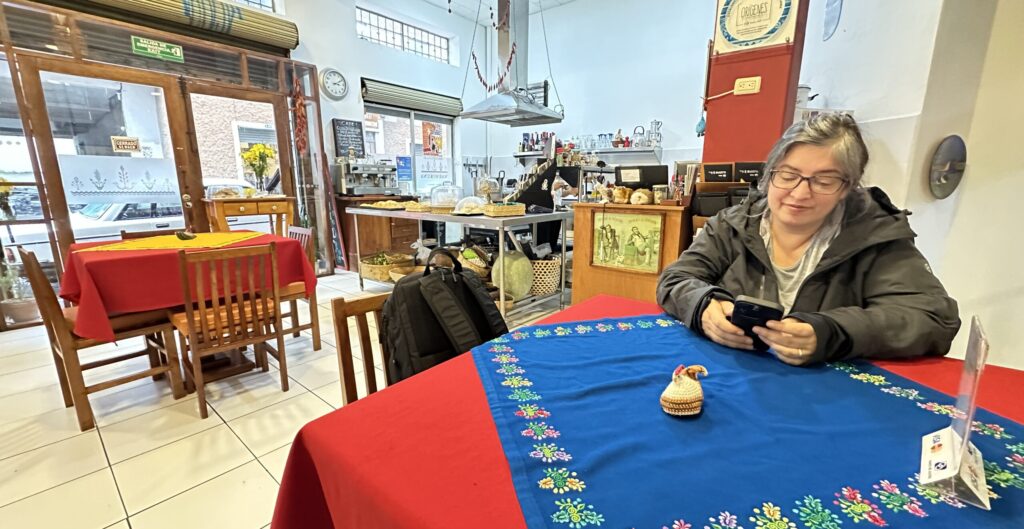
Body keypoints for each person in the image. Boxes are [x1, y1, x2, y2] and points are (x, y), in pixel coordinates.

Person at [657, 113, 960, 366]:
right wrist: (703, 305)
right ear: (769, 175)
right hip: (734, 377)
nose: (800, 193)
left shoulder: (875, 236)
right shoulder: (733, 224)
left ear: (848, 188)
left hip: (830, 395)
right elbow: (675, 279)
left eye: (824, 181)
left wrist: (832, 332)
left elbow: (933, 318)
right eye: (788, 176)